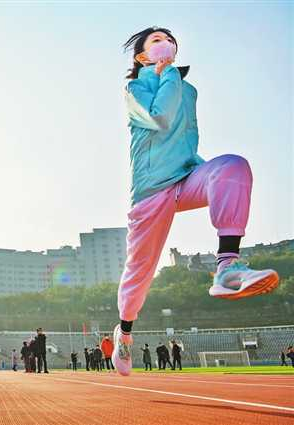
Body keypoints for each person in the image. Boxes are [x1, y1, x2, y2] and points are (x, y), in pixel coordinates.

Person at [111, 27, 281, 378]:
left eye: (170, 39)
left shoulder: (188, 91)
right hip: (152, 190)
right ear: (142, 56)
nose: (167, 43)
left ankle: (228, 268)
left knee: (232, 167)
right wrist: (168, 73)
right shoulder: (135, 89)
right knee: (139, 273)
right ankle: (124, 333)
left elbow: (184, 140)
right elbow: (161, 119)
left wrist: (208, 174)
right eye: (156, 40)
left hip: (186, 176)